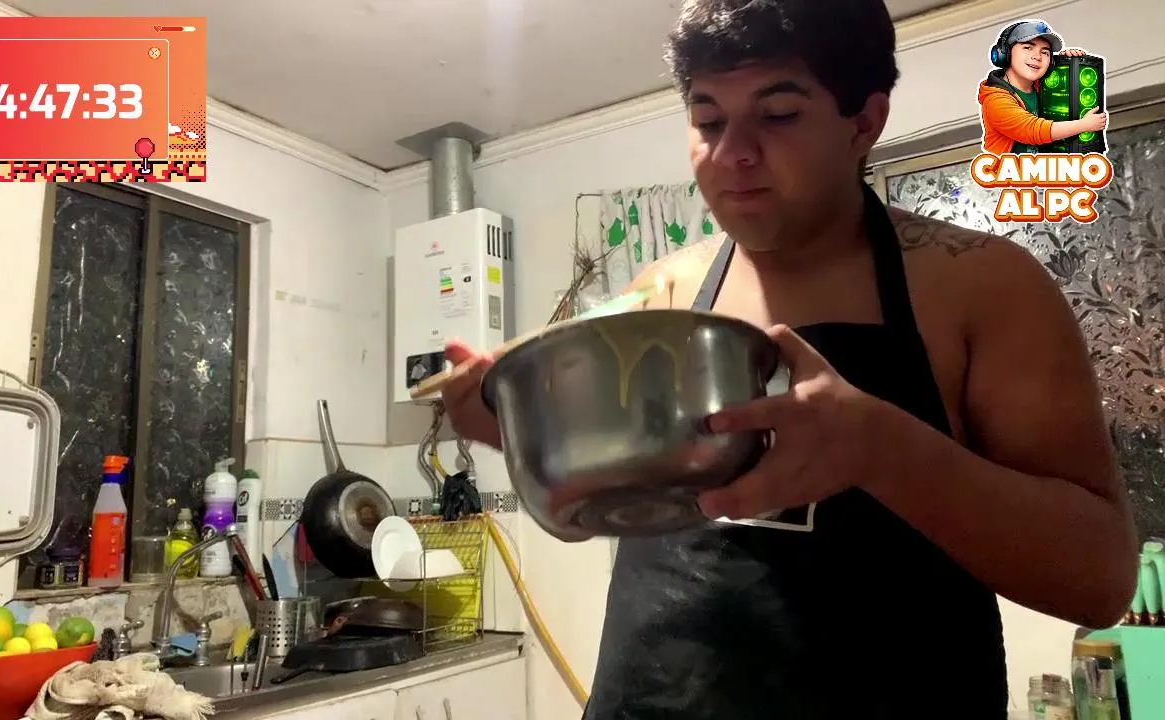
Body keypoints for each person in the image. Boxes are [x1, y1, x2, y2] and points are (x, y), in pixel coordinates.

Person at [439, 0, 1137, 717]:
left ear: (864, 122)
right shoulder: (667, 288)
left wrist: (880, 448)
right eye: (708, 121)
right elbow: (593, 477)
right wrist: (519, 418)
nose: (732, 153)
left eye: (777, 115)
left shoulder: (981, 284)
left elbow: (1100, 579)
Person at [979, 20, 1109, 155]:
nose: (1037, 57)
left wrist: (1067, 61)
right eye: (1028, 48)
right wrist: (1084, 125)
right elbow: (1033, 130)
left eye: (1045, 52)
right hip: (1008, 168)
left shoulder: (1041, 85)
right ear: (1005, 54)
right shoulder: (995, 100)